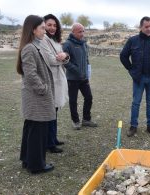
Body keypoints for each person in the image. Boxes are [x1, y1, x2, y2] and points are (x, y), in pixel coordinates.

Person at [17, 15, 55, 173]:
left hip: (36, 97)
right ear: (33, 30)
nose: (45, 31)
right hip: (36, 98)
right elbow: (31, 74)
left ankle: (28, 160)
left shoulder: (34, 46)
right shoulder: (29, 48)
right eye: (42, 28)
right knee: (37, 132)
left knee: (32, 129)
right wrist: (43, 89)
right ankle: (36, 165)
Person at [120, 16, 150, 137]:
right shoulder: (133, 40)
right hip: (139, 78)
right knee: (136, 102)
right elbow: (123, 56)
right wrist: (131, 70)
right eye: (146, 26)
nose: (149, 29)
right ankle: (133, 126)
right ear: (141, 27)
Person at [42, 14, 69, 153]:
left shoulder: (56, 40)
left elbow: (63, 58)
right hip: (51, 78)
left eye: (54, 25)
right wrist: (62, 56)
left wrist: (64, 56)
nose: (52, 28)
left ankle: (53, 138)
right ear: (43, 25)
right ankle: (49, 143)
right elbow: (52, 60)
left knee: (55, 110)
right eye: (49, 25)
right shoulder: (43, 40)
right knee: (51, 111)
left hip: (59, 77)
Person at [62, 23, 97, 130]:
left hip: (84, 78)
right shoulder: (67, 44)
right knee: (73, 100)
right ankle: (75, 121)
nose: (82, 34)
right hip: (72, 79)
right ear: (73, 32)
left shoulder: (83, 44)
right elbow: (65, 61)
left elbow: (86, 60)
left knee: (89, 97)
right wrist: (77, 71)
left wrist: (87, 72)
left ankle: (86, 119)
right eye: (79, 31)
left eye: (83, 31)